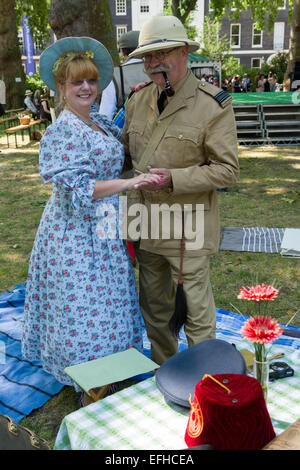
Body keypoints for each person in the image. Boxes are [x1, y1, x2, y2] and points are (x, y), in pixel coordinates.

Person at [21, 37, 160, 389]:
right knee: (83, 305)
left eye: (91, 80)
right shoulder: (61, 131)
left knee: (110, 299)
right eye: (76, 82)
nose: (86, 87)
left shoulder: (97, 121)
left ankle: (113, 369)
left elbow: (120, 145)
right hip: (73, 234)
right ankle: (88, 382)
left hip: (104, 227)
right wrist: (130, 184)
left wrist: (138, 99)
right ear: (61, 88)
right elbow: (81, 189)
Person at [122, 15, 239, 365]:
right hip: (145, 221)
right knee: (155, 309)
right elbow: (126, 157)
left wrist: (174, 178)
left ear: (185, 52)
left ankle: (204, 384)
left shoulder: (212, 104)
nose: (154, 62)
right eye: (147, 56)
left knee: (196, 315)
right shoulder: (137, 101)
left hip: (186, 227)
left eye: (163, 52)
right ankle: (166, 374)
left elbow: (228, 170)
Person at [99, 30, 148, 121]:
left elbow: (105, 116)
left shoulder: (115, 75)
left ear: (122, 51)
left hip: (126, 132)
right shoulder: (155, 70)